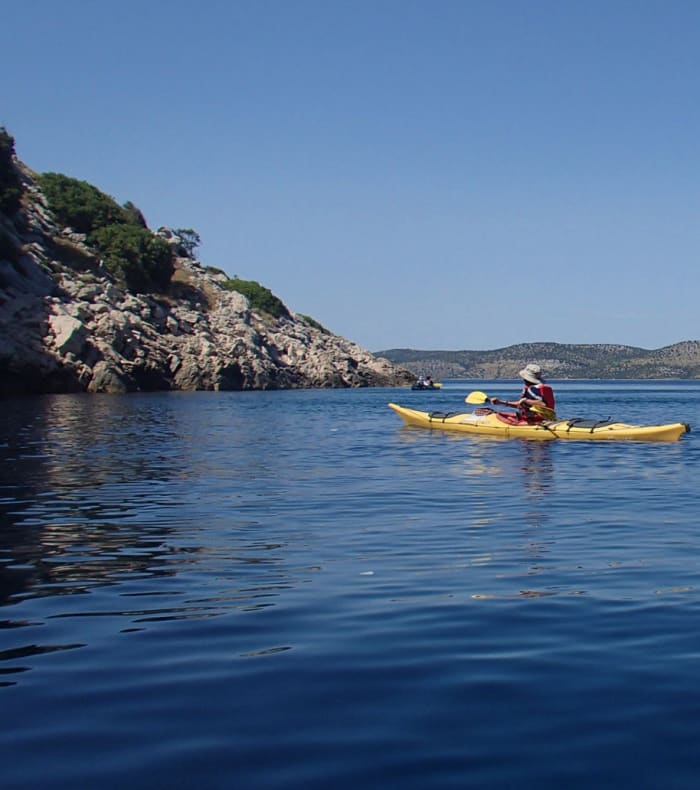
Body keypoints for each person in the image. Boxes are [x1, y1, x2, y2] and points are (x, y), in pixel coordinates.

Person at [490, 363, 556, 422]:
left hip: (532, 421)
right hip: (542, 419)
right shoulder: (539, 388)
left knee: (498, 416)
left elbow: (543, 404)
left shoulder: (533, 389)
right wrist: (501, 402)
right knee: (500, 414)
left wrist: (526, 400)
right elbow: (520, 405)